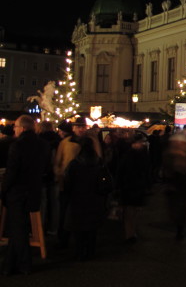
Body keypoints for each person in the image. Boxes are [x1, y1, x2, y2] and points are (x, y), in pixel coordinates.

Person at [0, 115, 49, 275]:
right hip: (33, 189)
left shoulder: (18, 145)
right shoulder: (42, 144)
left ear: (22, 128)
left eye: (15, 127)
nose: (14, 129)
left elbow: (12, 171)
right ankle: (9, 264)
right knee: (18, 227)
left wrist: (4, 189)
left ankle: (24, 264)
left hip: (17, 190)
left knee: (18, 228)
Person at [63, 136, 108, 261]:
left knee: (79, 228)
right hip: (95, 198)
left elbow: (68, 183)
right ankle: (90, 251)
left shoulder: (75, 164)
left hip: (78, 198)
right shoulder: (98, 162)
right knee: (92, 228)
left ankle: (79, 252)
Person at [116, 133, 150, 243]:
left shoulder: (140, 155)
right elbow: (122, 173)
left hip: (136, 186)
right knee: (130, 212)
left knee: (134, 211)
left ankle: (132, 232)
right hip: (130, 187)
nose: (143, 144)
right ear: (134, 144)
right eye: (141, 142)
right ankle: (129, 234)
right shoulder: (129, 156)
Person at [162, 132, 186, 240]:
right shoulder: (185, 151)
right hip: (178, 181)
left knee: (179, 205)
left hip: (178, 182)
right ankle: (179, 224)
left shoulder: (171, 152)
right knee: (179, 205)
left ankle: (179, 225)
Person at [54, 121, 81, 249]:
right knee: (65, 212)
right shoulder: (65, 143)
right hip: (68, 182)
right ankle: (65, 238)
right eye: (78, 126)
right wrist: (60, 175)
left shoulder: (86, 142)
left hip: (76, 183)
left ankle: (68, 239)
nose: (81, 129)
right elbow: (57, 163)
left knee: (68, 212)